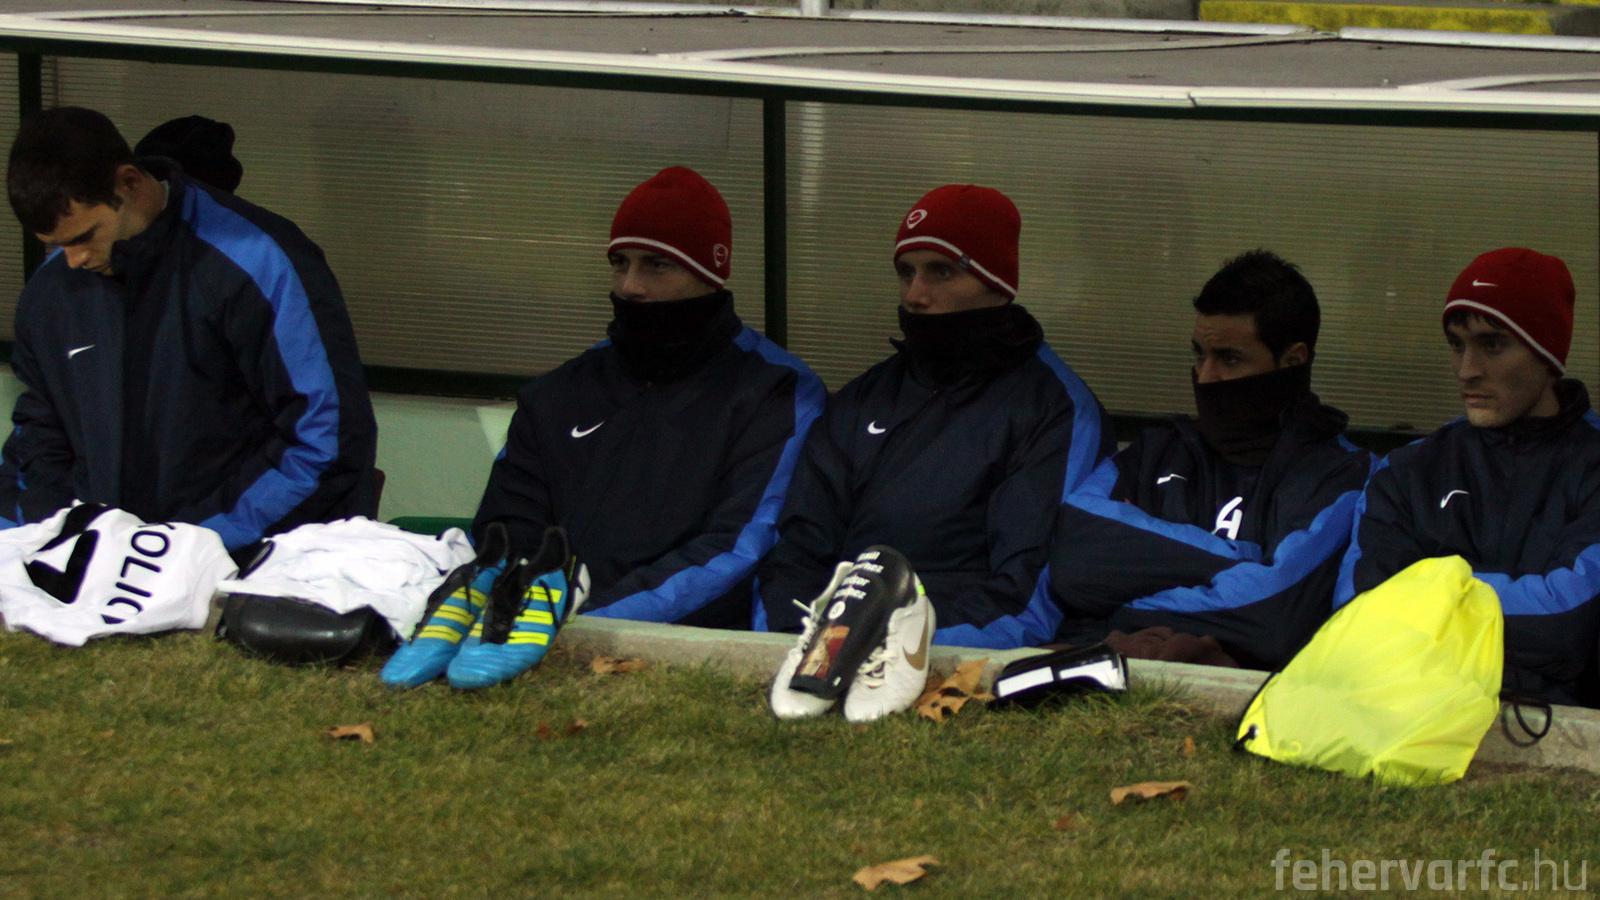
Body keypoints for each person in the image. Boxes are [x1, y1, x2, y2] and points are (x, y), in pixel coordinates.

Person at [755, 184, 1115, 652]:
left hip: (944, 651)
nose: (915, 295)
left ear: (996, 283)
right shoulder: (864, 397)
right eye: (906, 273)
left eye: (941, 272)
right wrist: (792, 640)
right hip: (821, 645)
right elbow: (795, 550)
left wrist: (880, 649)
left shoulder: (1054, 409)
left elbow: (1026, 595)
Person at [0, 106, 377, 551]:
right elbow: (38, 439)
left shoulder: (259, 260)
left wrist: (187, 549)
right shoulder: (52, 291)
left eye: (85, 236)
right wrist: (39, 544)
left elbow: (325, 442)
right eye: (56, 245)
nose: (74, 259)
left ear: (130, 183)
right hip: (101, 569)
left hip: (243, 560)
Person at [471, 165, 824, 630]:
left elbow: (739, 546)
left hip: (679, 648)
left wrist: (588, 622)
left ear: (710, 274)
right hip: (532, 631)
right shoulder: (559, 391)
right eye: (620, 263)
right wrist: (522, 610)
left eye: (657, 265)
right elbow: (506, 527)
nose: (629, 287)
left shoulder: (775, 392)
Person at [1048, 250, 1374, 670]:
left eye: (1229, 359)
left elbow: (1273, 620)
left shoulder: (1342, 476)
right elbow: (1074, 562)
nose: (1205, 376)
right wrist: (1248, 564)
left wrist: (1122, 612)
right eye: (1200, 354)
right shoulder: (1155, 452)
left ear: (1292, 361)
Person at [1337, 247, 1600, 708]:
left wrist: (1423, 602)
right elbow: (1360, 613)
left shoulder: (1591, 465)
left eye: (1492, 345)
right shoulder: (1409, 470)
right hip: (1406, 714)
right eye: (1457, 345)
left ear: (1546, 354)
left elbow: (1567, 627)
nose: (1466, 370)